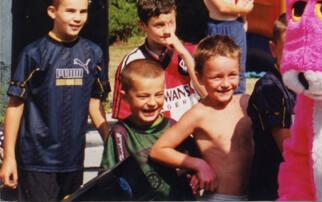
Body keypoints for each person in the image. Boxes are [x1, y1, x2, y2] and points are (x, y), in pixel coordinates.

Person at [0, 0, 110, 201]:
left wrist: (111, 141)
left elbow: (94, 104)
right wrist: (9, 157)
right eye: (70, 11)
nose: (77, 18)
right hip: (37, 161)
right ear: (52, 12)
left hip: (73, 160)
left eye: (83, 11)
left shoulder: (93, 53)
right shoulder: (34, 53)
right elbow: (15, 105)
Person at [151, 35, 254, 201]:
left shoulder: (246, 103)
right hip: (219, 197)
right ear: (199, 78)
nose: (226, 83)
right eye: (217, 77)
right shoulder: (199, 114)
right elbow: (159, 150)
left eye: (232, 75)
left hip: (254, 195)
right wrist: (199, 165)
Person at [102, 59, 194, 200]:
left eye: (158, 94)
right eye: (143, 96)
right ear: (125, 97)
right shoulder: (120, 134)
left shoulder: (174, 128)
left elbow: (193, 168)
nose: (152, 102)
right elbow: (107, 181)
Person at [112, 0, 202, 121]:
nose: (167, 31)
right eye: (159, 25)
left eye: (171, 23)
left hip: (193, 134)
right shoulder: (132, 62)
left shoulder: (193, 52)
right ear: (143, 26)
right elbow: (125, 116)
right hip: (155, 138)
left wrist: (183, 53)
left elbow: (208, 95)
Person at [247, 14, 296, 201]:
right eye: (288, 50)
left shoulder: (307, 87)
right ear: (273, 49)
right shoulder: (270, 88)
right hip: (271, 190)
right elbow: (288, 150)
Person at [200, 0, 254, 94]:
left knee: (239, 68)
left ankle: (238, 104)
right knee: (217, 68)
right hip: (220, 25)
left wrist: (243, 16)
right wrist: (244, 9)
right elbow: (221, 7)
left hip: (235, 24)